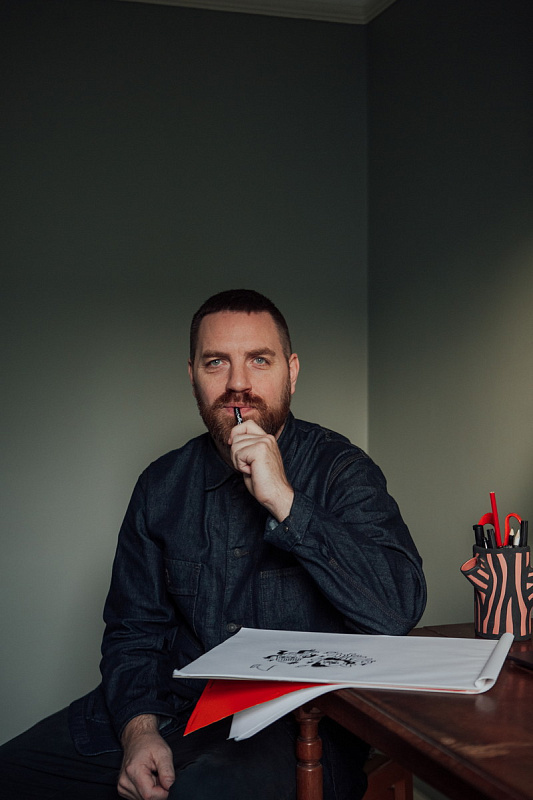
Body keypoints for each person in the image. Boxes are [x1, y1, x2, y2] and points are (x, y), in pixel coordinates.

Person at [0, 289, 426, 800]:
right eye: (216, 362)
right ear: (193, 376)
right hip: (172, 710)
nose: (238, 383)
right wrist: (139, 732)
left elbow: (397, 609)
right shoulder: (161, 485)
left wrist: (285, 501)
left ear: (291, 372)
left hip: (294, 724)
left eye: (259, 360)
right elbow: (134, 632)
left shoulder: (341, 469)